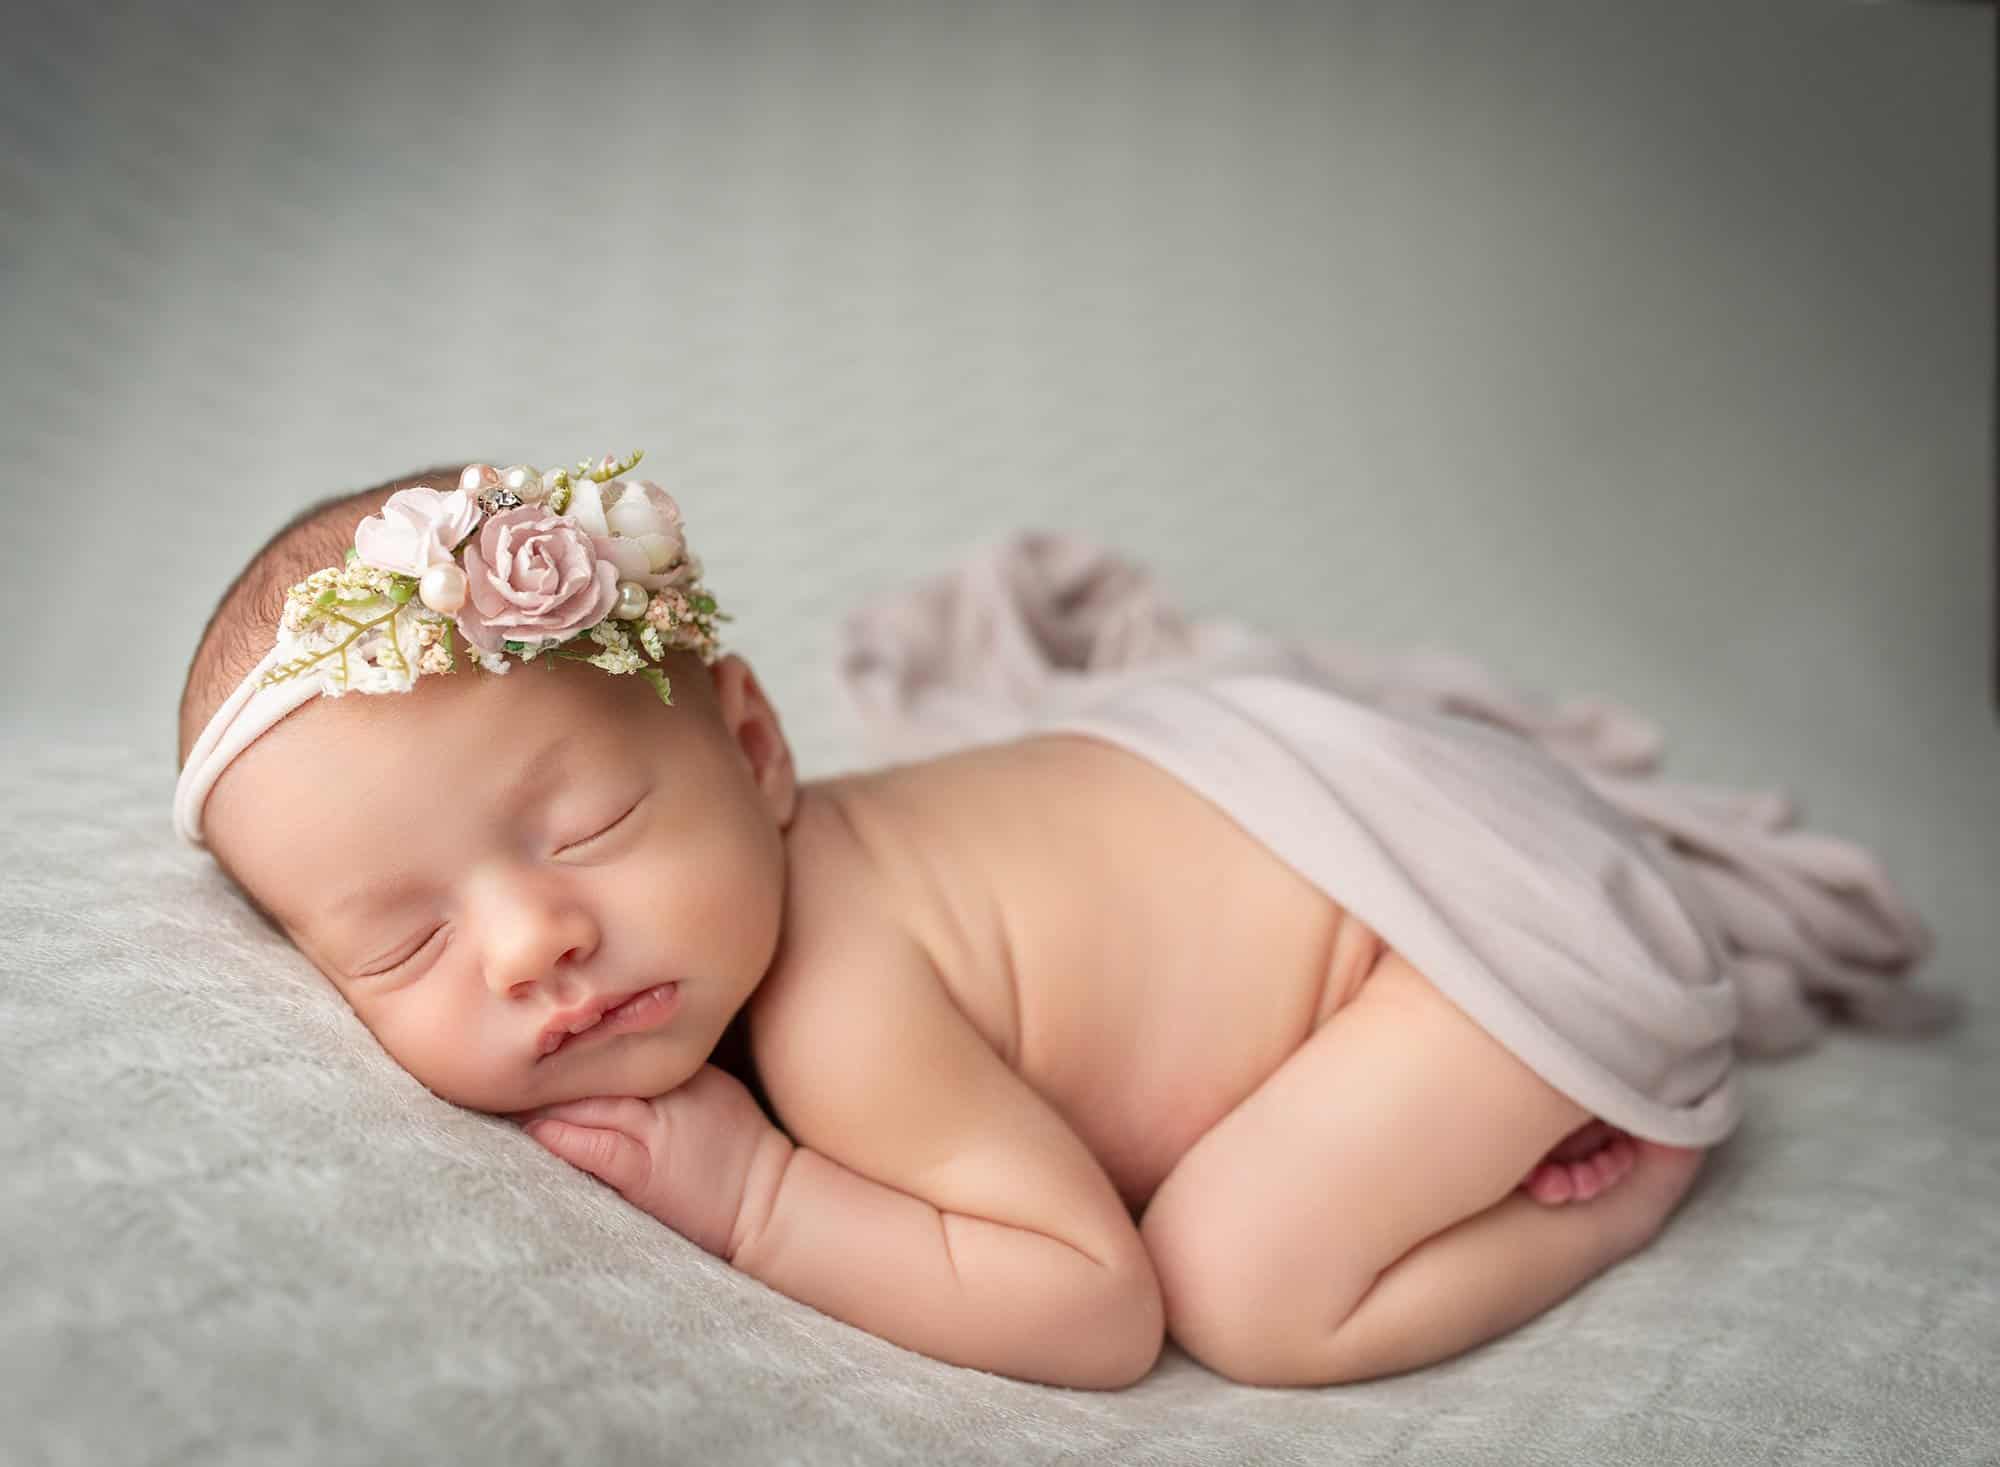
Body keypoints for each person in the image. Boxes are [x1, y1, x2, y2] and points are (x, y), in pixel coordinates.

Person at [174, 452, 1710, 1392]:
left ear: (757, 749)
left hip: (1454, 933)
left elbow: (1097, 1309)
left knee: (1244, 1291)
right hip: (1325, 829)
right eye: (402, 946)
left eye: (590, 828)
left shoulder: (840, 1004)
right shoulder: (737, 925)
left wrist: (757, 1197)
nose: (529, 946)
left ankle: (1636, 1174)